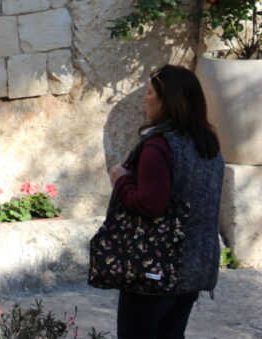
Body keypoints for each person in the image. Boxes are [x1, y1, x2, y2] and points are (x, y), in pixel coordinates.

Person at [108, 64, 224, 338]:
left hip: (156, 265)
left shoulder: (158, 146)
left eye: (150, 92)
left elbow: (151, 204)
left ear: (167, 100)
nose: (145, 98)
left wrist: (121, 179)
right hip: (195, 264)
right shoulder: (207, 145)